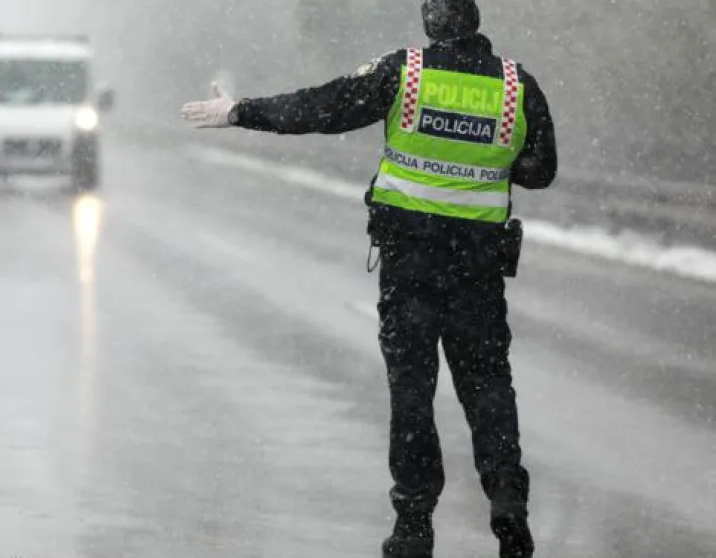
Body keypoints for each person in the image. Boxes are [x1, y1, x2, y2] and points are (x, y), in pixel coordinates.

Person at [180, 0, 557, 556]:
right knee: (487, 387)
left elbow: (323, 107)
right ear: (475, 22)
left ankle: (413, 524)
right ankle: (506, 498)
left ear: (431, 21)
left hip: (410, 266)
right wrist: (487, 161)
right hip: (477, 267)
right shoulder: (515, 86)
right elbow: (540, 170)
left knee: (413, 394)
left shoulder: (404, 73)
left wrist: (242, 111)